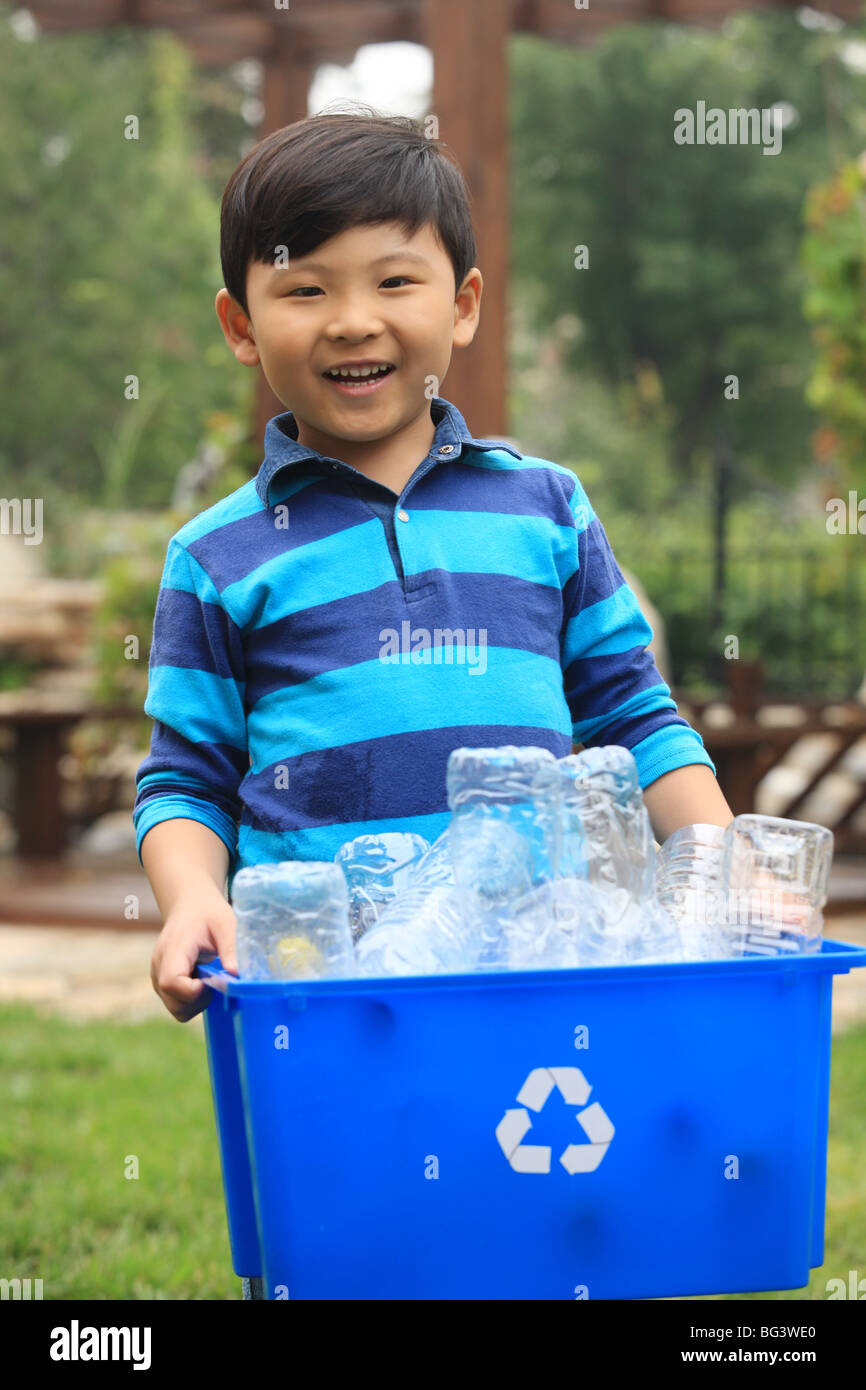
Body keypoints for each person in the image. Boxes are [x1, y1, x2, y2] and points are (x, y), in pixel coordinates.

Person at [134, 106, 734, 1026]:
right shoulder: (219, 558)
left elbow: (635, 716)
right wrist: (190, 900)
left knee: (558, 1162)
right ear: (240, 325)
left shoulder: (545, 509)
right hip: (324, 994)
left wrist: (725, 870)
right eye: (305, 291)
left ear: (462, 306)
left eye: (395, 281)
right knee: (350, 1176)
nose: (353, 321)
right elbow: (187, 779)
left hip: (544, 974)